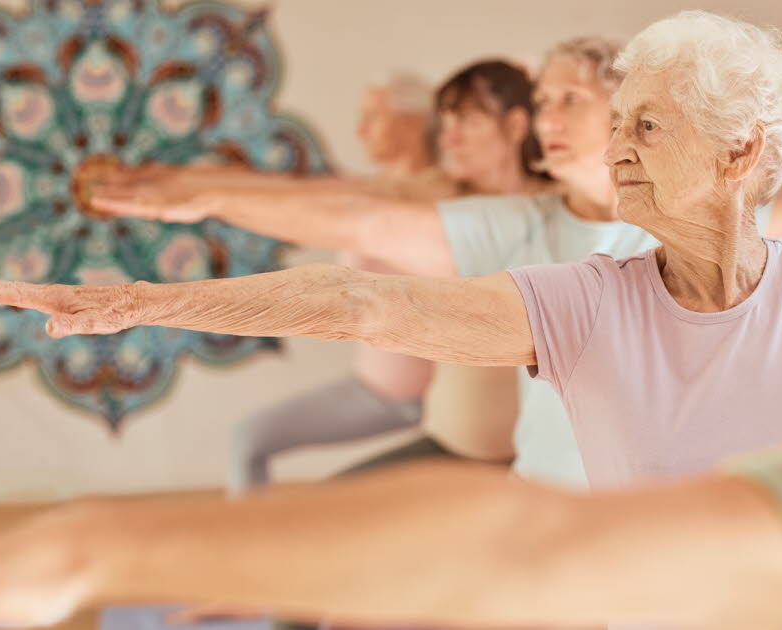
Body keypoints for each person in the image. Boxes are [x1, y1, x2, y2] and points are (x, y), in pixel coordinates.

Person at [0, 4, 782, 627]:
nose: (615, 152)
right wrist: (140, 300)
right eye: (617, 119)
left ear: (742, 152)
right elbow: (363, 296)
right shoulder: (582, 305)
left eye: (648, 127)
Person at [86, 35, 782, 487]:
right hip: (552, 511)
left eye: (574, 102)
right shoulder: (548, 262)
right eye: (548, 103)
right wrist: (186, 209)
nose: (555, 119)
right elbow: (360, 278)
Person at [223, 60, 550, 491]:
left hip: (517, 462)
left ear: (516, 124)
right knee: (323, 508)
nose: (449, 135)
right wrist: (209, 194)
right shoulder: (439, 197)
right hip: (451, 441)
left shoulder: (555, 207)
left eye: (467, 120)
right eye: (447, 120)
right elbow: (332, 205)